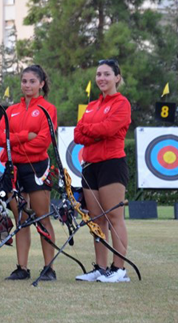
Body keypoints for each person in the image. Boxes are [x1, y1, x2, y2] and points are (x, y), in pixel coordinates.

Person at [0, 65, 58, 281]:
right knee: (20, 218)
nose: (27, 85)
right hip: (14, 169)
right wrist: (25, 136)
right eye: (24, 81)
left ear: (41, 84)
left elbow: (42, 142)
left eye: (32, 81)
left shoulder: (48, 109)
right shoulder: (11, 110)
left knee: (42, 217)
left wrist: (15, 140)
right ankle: (22, 267)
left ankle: (49, 268)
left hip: (37, 169)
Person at [74, 59, 131, 283]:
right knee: (97, 219)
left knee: (114, 217)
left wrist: (90, 130)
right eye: (99, 74)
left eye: (107, 74)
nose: (101, 78)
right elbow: (78, 135)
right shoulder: (91, 105)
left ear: (117, 77)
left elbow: (109, 129)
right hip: (90, 166)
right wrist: (93, 131)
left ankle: (119, 270)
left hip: (111, 164)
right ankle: (101, 267)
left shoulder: (121, 103)